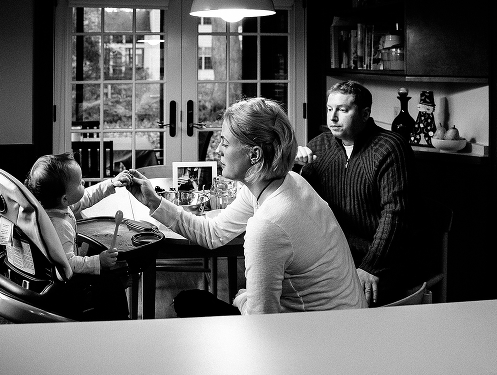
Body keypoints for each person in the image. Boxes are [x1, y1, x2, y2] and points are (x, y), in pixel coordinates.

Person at [128, 97, 368, 316]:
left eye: (224, 142)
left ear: (254, 155)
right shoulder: (288, 181)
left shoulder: (268, 225)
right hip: (348, 320)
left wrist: (242, 299)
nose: (217, 150)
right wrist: (154, 201)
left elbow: (260, 321)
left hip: (318, 338)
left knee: (190, 303)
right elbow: (213, 233)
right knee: (193, 301)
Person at [295, 80, 418, 306]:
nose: (332, 118)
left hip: (380, 259)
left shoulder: (390, 147)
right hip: (333, 257)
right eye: (330, 109)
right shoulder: (319, 145)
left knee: (333, 306)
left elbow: (396, 214)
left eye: (342, 110)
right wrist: (293, 167)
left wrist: (371, 266)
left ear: (365, 113)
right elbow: (298, 205)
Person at [25, 152, 134, 320]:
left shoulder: (56, 207)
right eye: (79, 182)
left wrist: (111, 184)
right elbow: (68, 264)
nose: (83, 182)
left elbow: (88, 196)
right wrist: (98, 261)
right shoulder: (58, 225)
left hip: (65, 268)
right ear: (64, 198)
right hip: (64, 285)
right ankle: (119, 322)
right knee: (109, 283)